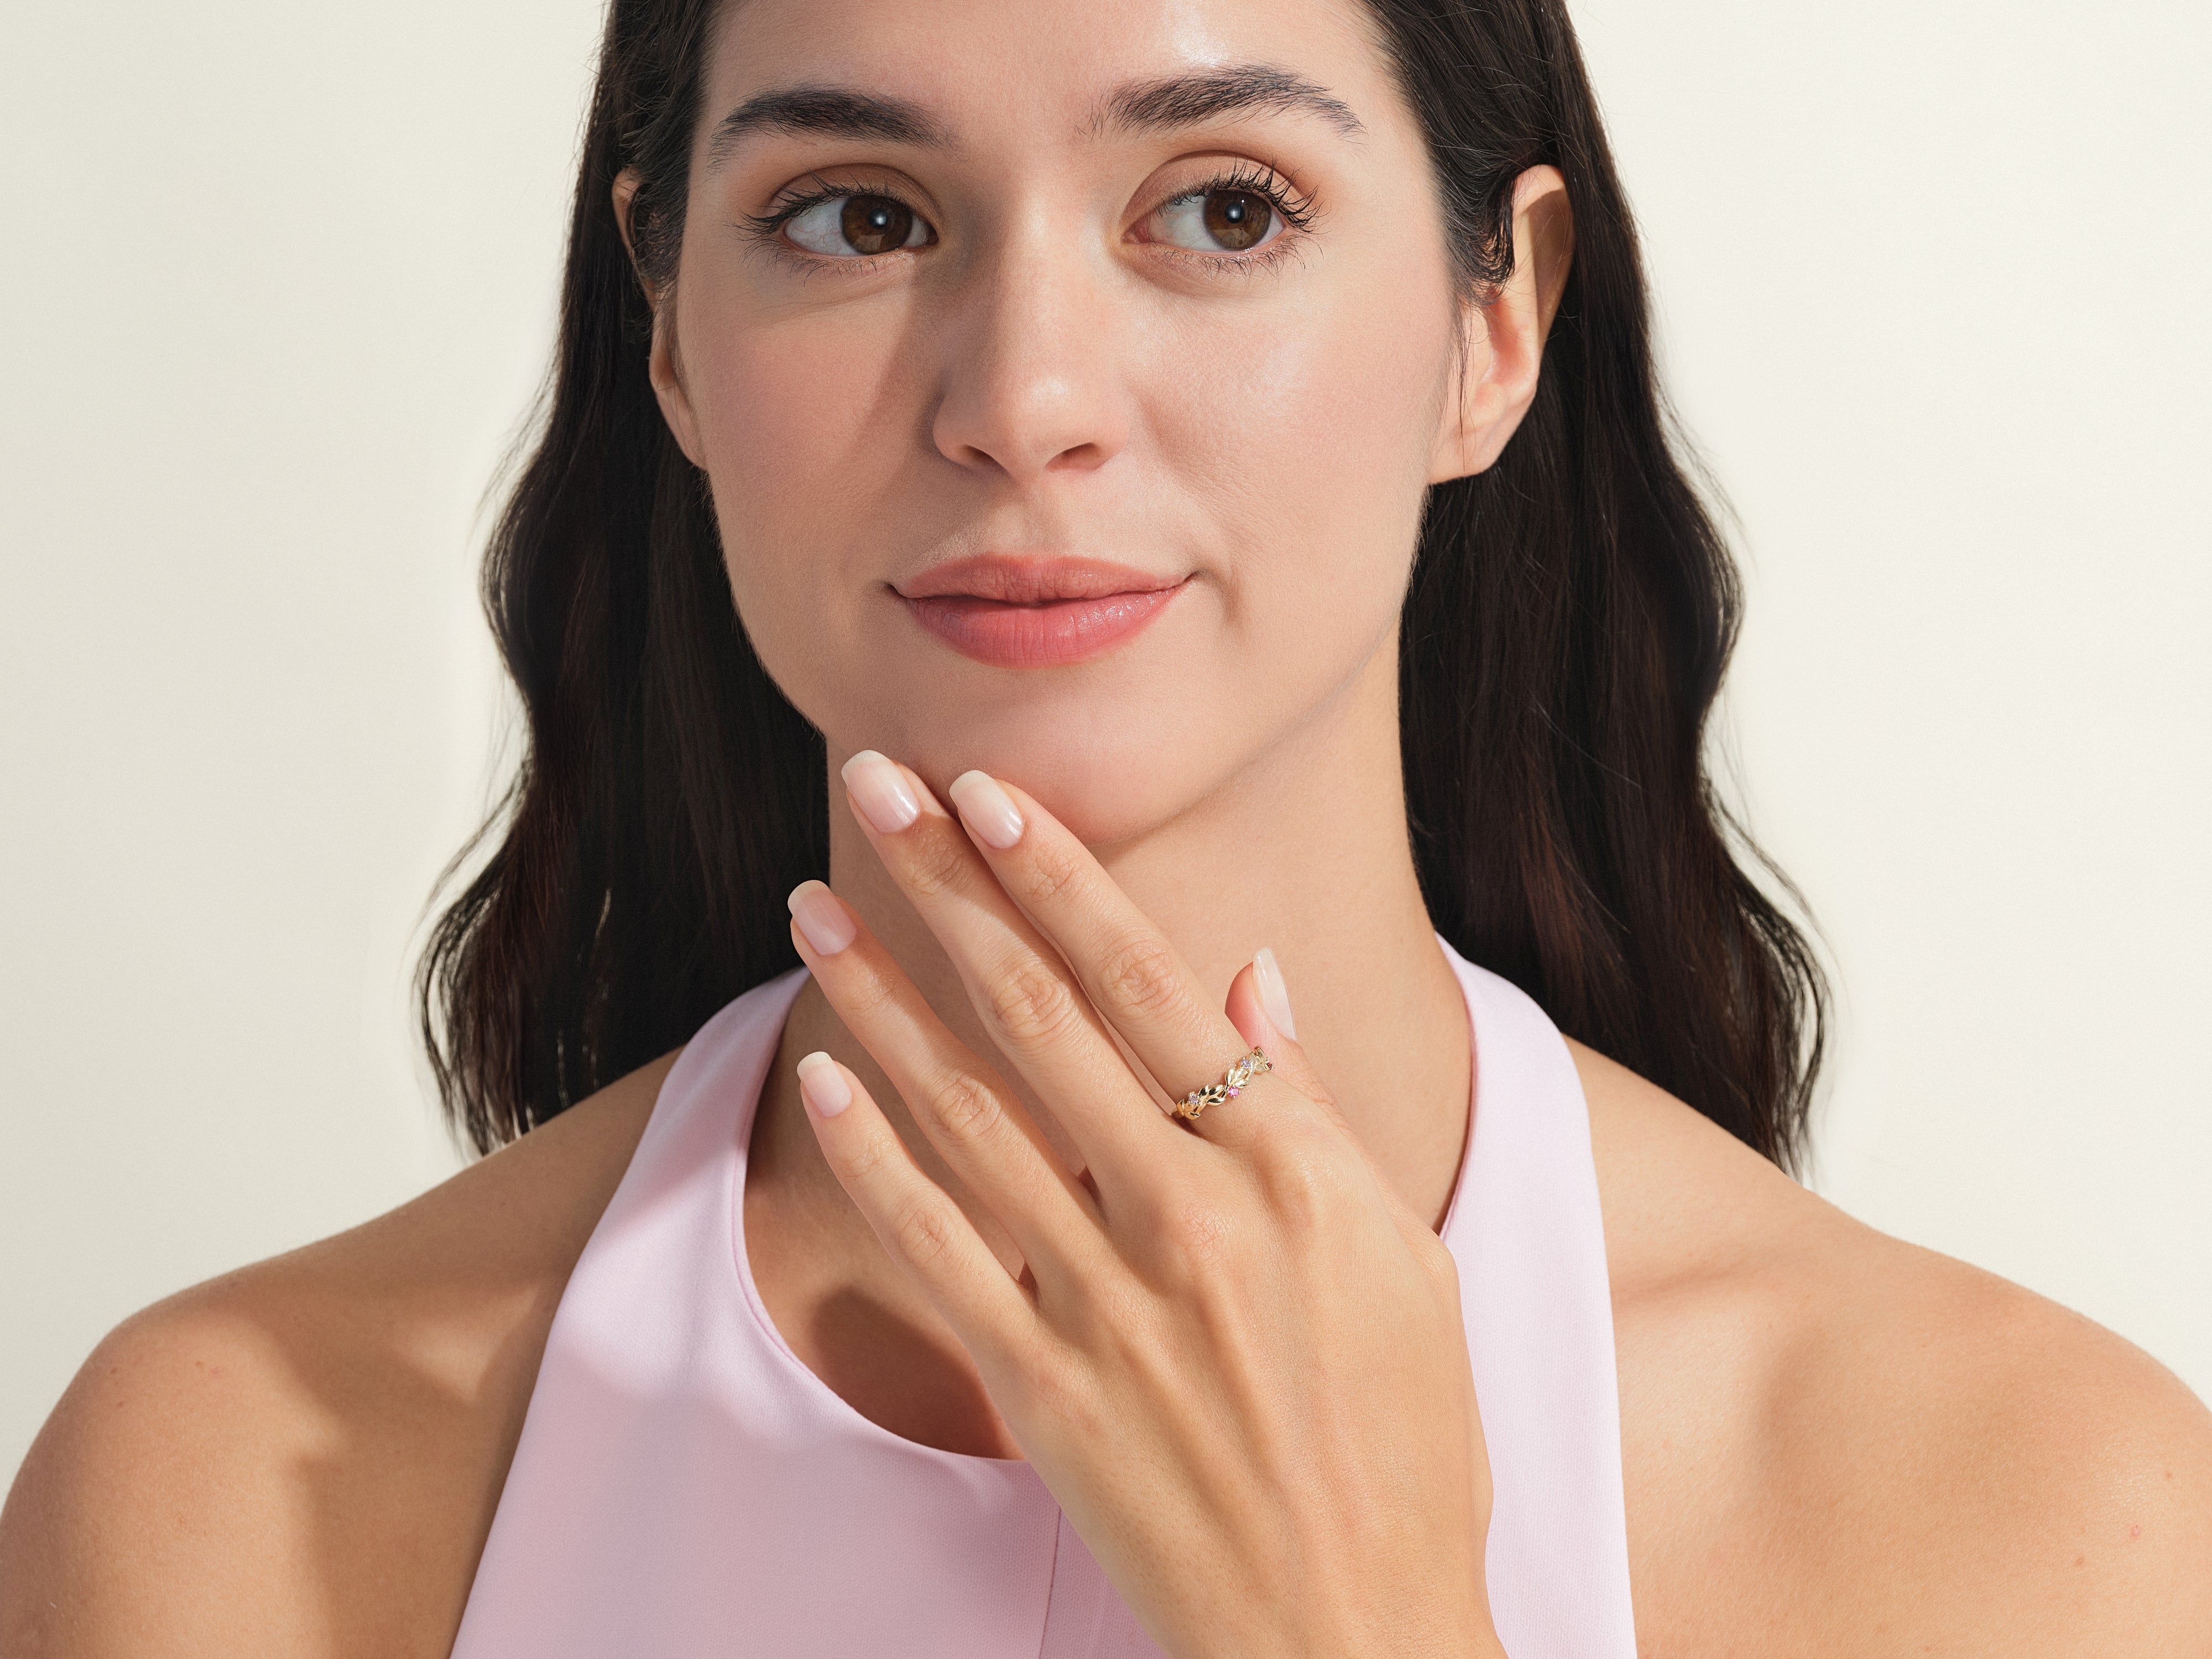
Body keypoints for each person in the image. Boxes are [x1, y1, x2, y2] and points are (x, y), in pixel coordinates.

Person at [4, 0, 2208, 1650]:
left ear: (1492, 318)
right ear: (668, 325)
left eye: (1221, 209)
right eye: (860, 217)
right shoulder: (232, 1499)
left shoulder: (2034, 1527)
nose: (1022, 399)